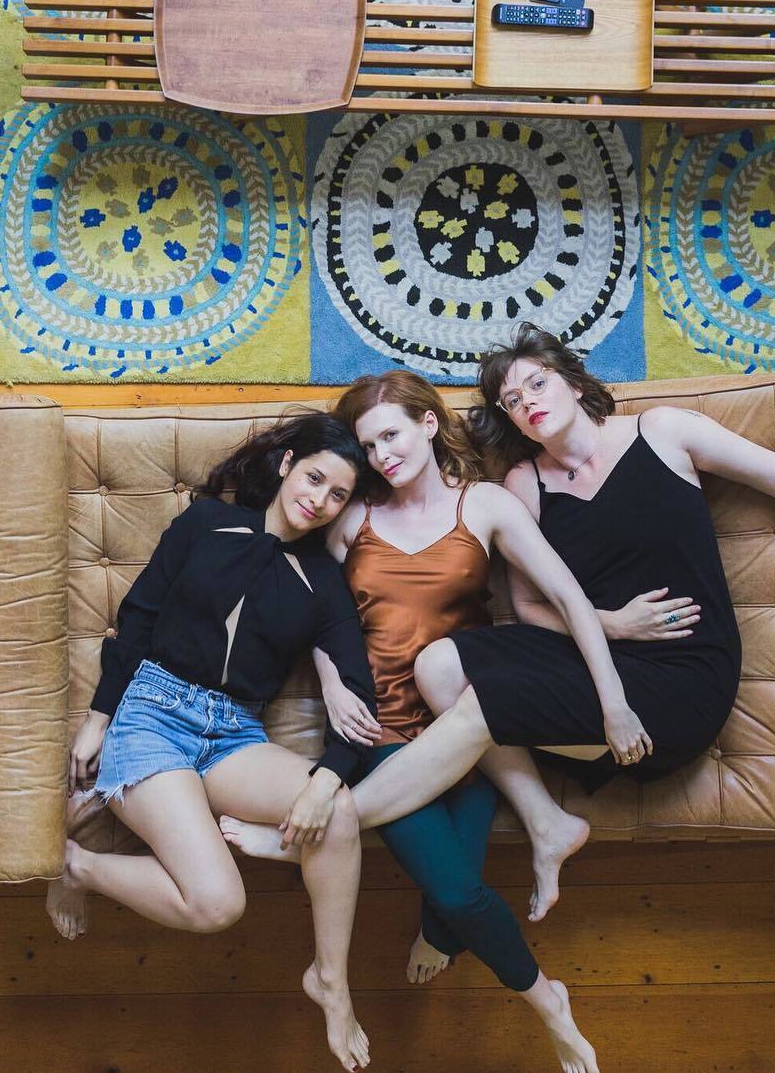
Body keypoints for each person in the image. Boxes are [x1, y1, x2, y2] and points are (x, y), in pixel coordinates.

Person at [221, 371, 673, 1073]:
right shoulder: (352, 516)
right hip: (382, 730)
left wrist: (613, 700)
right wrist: (334, 681)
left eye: (392, 435)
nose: (382, 456)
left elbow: (566, 597)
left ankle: (349, 871)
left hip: (471, 732)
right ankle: (551, 1004)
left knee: (451, 901)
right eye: (370, 445)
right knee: (461, 894)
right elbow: (317, 609)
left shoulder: (485, 504)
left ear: (429, 425)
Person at [411, 323, 775, 798]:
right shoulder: (526, 483)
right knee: (439, 664)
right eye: (513, 401)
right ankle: (546, 807)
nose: (528, 402)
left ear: (574, 383)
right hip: (591, 656)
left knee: (484, 705)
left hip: (683, 673)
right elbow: (528, 607)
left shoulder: (662, 432)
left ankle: (369, 808)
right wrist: (612, 623)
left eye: (538, 383)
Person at [44, 412, 378, 1073]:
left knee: (338, 811)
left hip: (233, 733)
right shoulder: (205, 522)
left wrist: (326, 779)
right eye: (315, 478)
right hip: (152, 713)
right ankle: (77, 866)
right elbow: (139, 617)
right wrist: (99, 718)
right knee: (218, 904)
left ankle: (331, 981)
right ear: (287, 465)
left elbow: (360, 699)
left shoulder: (323, 583)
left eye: (338, 494)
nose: (320, 500)